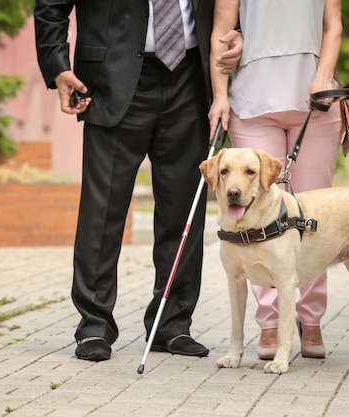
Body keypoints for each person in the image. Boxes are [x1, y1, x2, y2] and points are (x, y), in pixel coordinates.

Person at [34, 0, 242, 362]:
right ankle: (94, 326)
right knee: (102, 211)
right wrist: (58, 67)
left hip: (190, 78)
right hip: (108, 80)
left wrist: (241, 35)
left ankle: (172, 323)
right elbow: (50, 6)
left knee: (183, 213)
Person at [208, 0, 343, 359]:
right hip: (254, 105)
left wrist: (323, 77)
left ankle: (310, 317)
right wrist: (220, 96)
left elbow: (333, 27)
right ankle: (269, 324)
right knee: (257, 219)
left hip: (316, 104)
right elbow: (221, 37)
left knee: (312, 219)